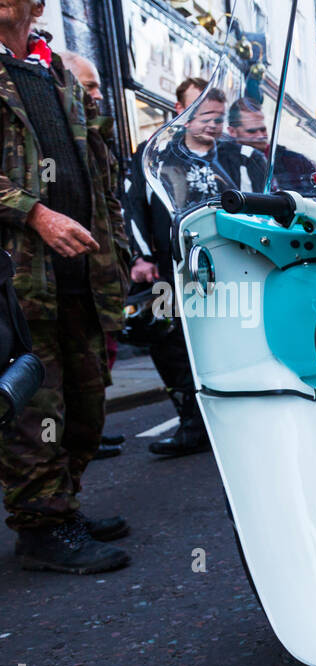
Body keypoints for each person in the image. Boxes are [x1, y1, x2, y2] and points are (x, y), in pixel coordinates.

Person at [0, 1, 131, 573]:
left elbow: (103, 172)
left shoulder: (59, 72)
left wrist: (118, 250)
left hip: (83, 275)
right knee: (35, 410)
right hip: (17, 280)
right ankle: (42, 527)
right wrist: (35, 213)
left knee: (86, 403)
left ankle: (63, 507)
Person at [123, 78, 265, 458]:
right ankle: (191, 423)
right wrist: (141, 256)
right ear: (180, 112)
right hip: (169, 269)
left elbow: (261, 206)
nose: (212, 124)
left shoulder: (240, 156)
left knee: (237, 336)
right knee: (169, 342)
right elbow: (132, 204)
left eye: (218, 117)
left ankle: (242, 420)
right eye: (203, 115)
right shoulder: (153, 155)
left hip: (232, 268)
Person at [63, 51, 129, 460]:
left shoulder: (94, 137)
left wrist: (120, 259)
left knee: (94, 377)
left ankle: (88, 438)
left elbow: (111, 204)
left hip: (96, 280)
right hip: (54, 286)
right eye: (90, 86)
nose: (99, 95)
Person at [226, 96, 316, 194]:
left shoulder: (295, 163)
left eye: (263, 129)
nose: (260, 136)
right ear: (232, 131)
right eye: (252, 131)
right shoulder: (222, 162)